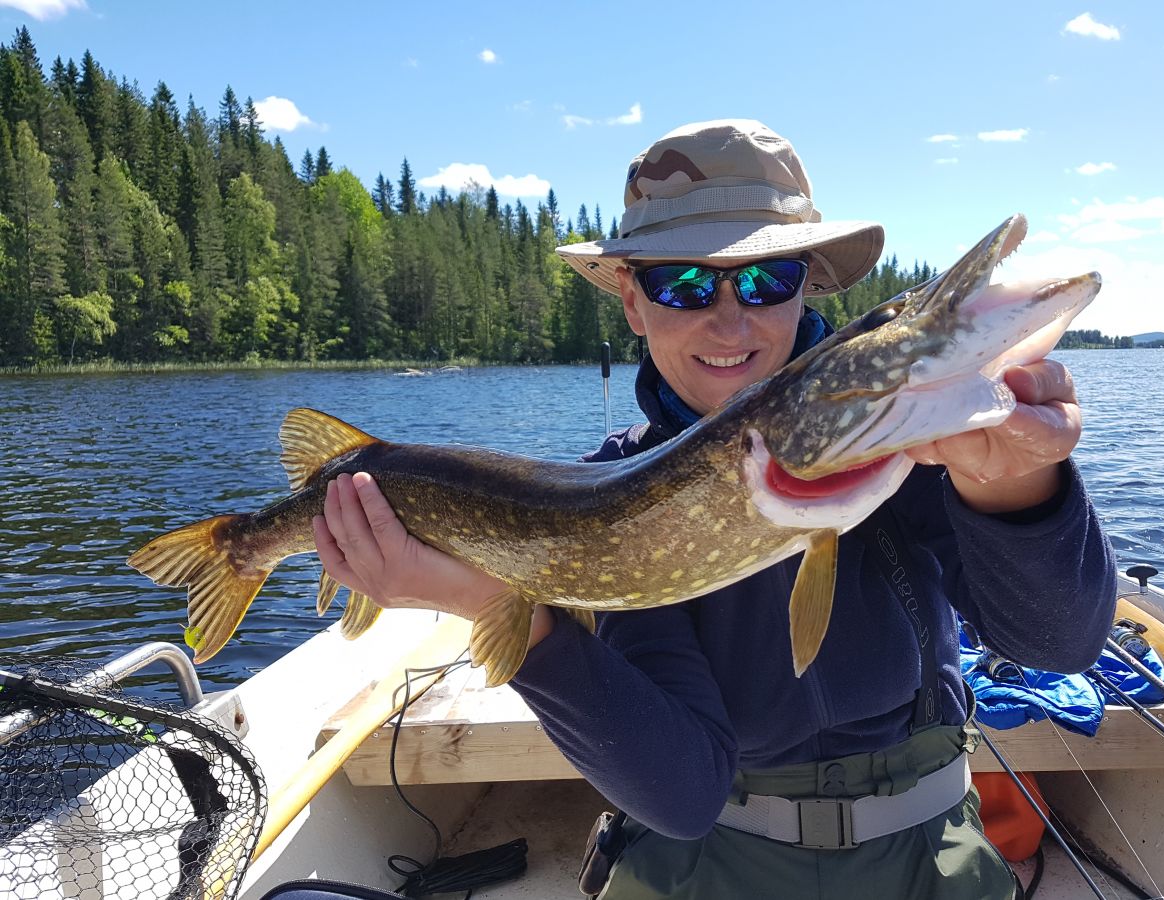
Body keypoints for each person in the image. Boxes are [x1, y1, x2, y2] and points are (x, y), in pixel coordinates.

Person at [312, 119, 1116, 899]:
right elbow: (684, 796)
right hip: (706, 864)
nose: (728, 318)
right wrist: (493, 605)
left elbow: (1059, 643)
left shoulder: (909, 446)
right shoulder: (615, 497)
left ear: (808, 287)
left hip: (927, 854)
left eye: (766, 281)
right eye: (683, 282)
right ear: (632, 301)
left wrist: (1017, 488)